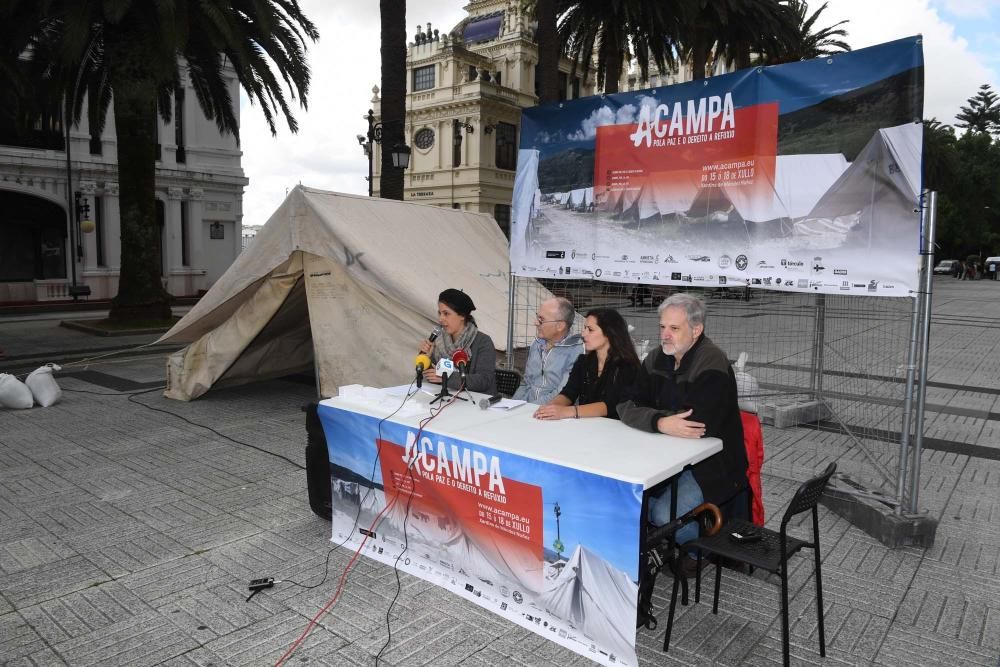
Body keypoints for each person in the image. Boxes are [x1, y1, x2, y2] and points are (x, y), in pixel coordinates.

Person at [618, 293, 749, 546]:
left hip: (710, 465)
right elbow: (626, 404)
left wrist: (651, 418)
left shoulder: (712, 361)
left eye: (674, 328)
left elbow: (697, 424)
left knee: (660, 513)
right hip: (661, 454)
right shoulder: (657, 358)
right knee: (622, 495)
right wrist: (660, 422)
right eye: (662, 327)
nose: (665, 334)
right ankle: (663, 534)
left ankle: (692, 554)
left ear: (696, 329)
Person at [532, 308, 640, 420]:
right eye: (584, 328)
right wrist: (552, 407)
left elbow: (612, 405)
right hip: (587, 425)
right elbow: (568, 393)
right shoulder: (583, 361)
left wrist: (567, 411)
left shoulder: (627, 366)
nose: (583, 334)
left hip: (616, 429)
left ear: (609, 333)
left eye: (590, 330)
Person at [419, 289, 496, 395]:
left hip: (476, 404)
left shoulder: (483, 342)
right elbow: (432, 376)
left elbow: (483, 381)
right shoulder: (439, 340)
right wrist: (426, 358)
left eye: (446, 314)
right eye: (440, 313)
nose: (441, 319)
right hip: (446, 399)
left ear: (462, 315)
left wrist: (446, 376)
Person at [513, 297, 583, 404]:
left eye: (541, 319)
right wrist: (512, 405)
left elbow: (562, 394)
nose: (535, 323)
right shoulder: (536, 344)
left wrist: (529, 409)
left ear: (560, 326)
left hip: (554, 414)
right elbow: (525, 384)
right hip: (528, 410)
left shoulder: (577, 352)